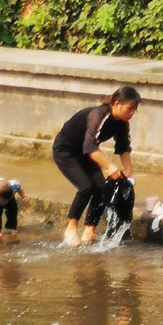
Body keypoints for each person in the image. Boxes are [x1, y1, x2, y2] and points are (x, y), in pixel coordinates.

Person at [53, 86, 140, 247]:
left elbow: (123, 146)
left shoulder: (122, 123)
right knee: (86, 187)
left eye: (134, 109)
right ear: (116, 103)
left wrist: (128, 170)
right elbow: (90, 146)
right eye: (129, 108)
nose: (132, 113)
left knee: (101, 188)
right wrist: (109, 167)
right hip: (66, 151)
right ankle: (71, 228)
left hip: (84, 153)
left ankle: (89, 230)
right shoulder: (98, 115)